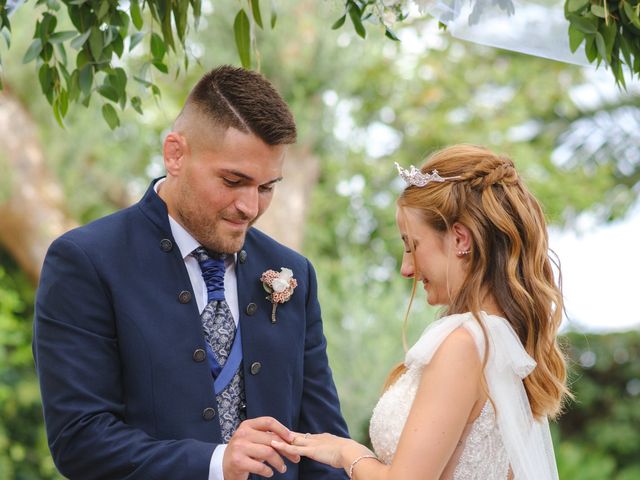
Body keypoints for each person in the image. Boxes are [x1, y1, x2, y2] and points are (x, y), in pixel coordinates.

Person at [33, 65, 349, 480]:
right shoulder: (85, 261)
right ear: (175, 154)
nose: (250, 207)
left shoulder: (294, 274)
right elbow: (80, 439)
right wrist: (216, 463)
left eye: (267, 187)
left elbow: (322, 443)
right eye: (234, 180)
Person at [272, 144, 570, 479]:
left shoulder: (465, 344)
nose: (406, 268)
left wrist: (346, 452)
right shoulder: (503, 341)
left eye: (412, 245)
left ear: (460, 239)